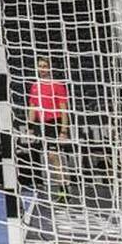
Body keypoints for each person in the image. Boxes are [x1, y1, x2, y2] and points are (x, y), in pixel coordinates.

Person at [27, 57, 70, 198]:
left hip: (55, 123)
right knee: (50, 157)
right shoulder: (35, 86)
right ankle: (62, 186)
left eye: (45, 66)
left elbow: (64, 109)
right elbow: (32, 107)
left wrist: (64, 130)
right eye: (40, 66)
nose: (43, 69)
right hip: (42, 124)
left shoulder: (57, 85)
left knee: (53, 156)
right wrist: (30, 127)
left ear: (50, 68)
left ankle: (64, 189)